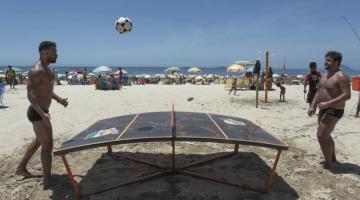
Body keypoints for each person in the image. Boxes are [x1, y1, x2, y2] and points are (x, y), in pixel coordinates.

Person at [15, 41, 69, 188]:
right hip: (37, 112)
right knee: (48, 144)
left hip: (42, 112)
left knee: (40, 141)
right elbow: (30, 95)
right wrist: (42, 114)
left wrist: (59, 100)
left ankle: (21, 168)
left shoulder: (48, 71)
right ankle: (47, 179)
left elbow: (48, 90)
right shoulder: (36, 70)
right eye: (53, 51)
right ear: (43, 52)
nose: (56, 54)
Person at [308, 51, 351, 169]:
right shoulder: (324, 75)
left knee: (321, 135)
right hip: (323, 109)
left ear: (336, 62)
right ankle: (332, 158)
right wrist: (313, 105)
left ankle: (328, 163)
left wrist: (328, 103)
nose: (325, 62)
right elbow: (318, 92)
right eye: (325, 60)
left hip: (334, 109)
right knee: (326, 135)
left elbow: (347, 95)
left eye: (328, 60)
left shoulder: (342, 76)